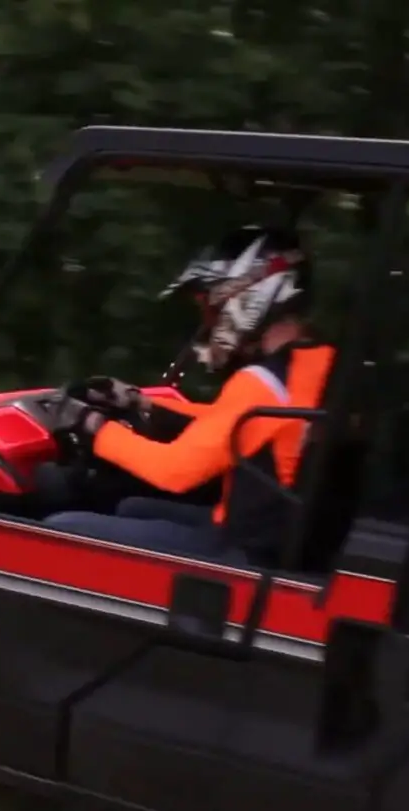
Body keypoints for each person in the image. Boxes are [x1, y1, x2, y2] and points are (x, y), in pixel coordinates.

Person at [46, 225, 336, 565]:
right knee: (130, 507)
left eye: (213, 305)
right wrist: (144, 403)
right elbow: (237, 425)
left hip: (243, 553)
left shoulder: (261, 382)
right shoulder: (320, 362)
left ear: (250, 295)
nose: (210, 320)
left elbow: (175, 472)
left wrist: (93, 426)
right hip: (283, 539)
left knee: (58, 528)